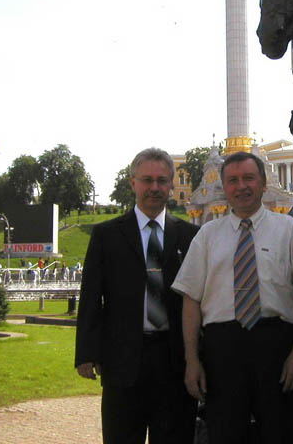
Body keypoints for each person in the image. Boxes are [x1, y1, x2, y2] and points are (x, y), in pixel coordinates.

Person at [172, 151, 293, 444]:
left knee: (279, 431)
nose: (241, 187)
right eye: (233, 180)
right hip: (222, 348)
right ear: (223, 186)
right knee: (226, 432)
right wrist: (192, 359)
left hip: (276, 346)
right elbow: (191, 299)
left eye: (249, 178)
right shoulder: (207, 236)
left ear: (263, 183)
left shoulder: (290, 230)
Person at [75, 148, 198, 444]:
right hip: (123, 361)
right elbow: (91, 296)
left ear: (171, 185)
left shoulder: (190, 237)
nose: (154, 187)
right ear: (133, 183)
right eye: (147, 180)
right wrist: (86, 353)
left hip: (174, 362)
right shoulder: (107, 235)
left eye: (162, 180)